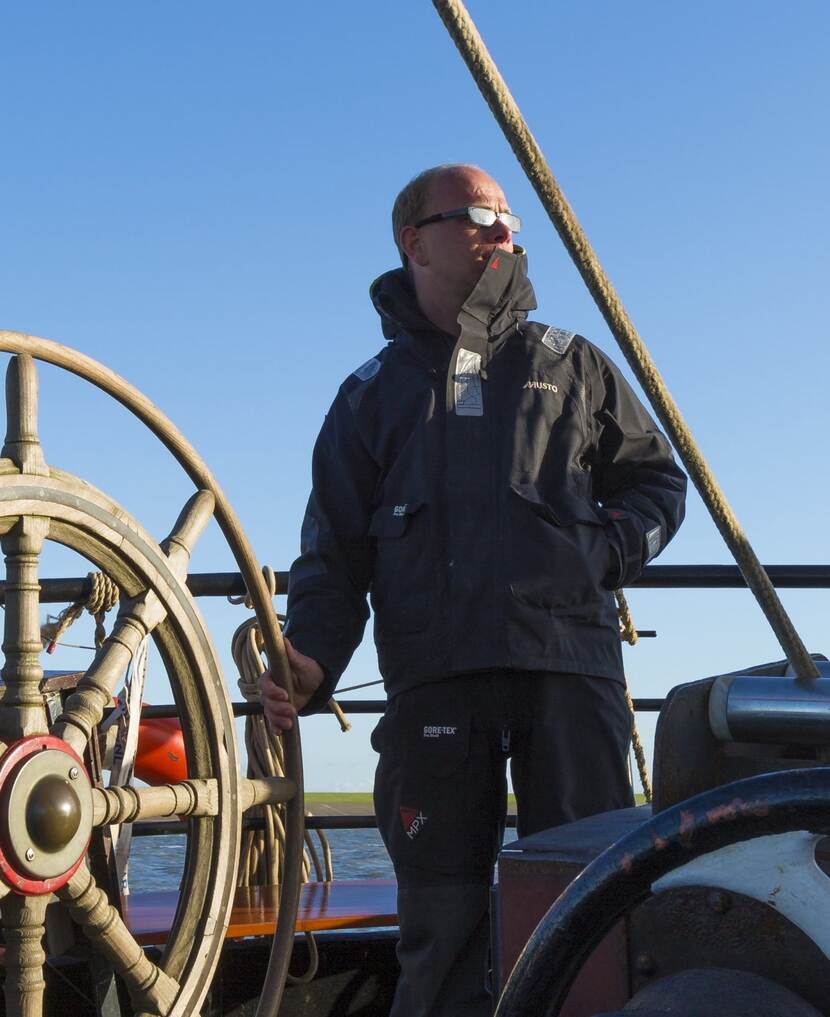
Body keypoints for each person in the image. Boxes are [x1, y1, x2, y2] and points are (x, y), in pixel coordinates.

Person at [260, 164, 687, 1016]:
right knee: (442, 934)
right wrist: (310, 664)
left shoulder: (574, 365)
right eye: (480, 214)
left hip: (568, 672)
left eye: (509, 215)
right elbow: (333, 555)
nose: (505, 230)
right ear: (414, 241)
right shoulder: (368, 398)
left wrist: (603, 552)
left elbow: (658, 485)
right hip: (433, 688)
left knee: (593, 919)